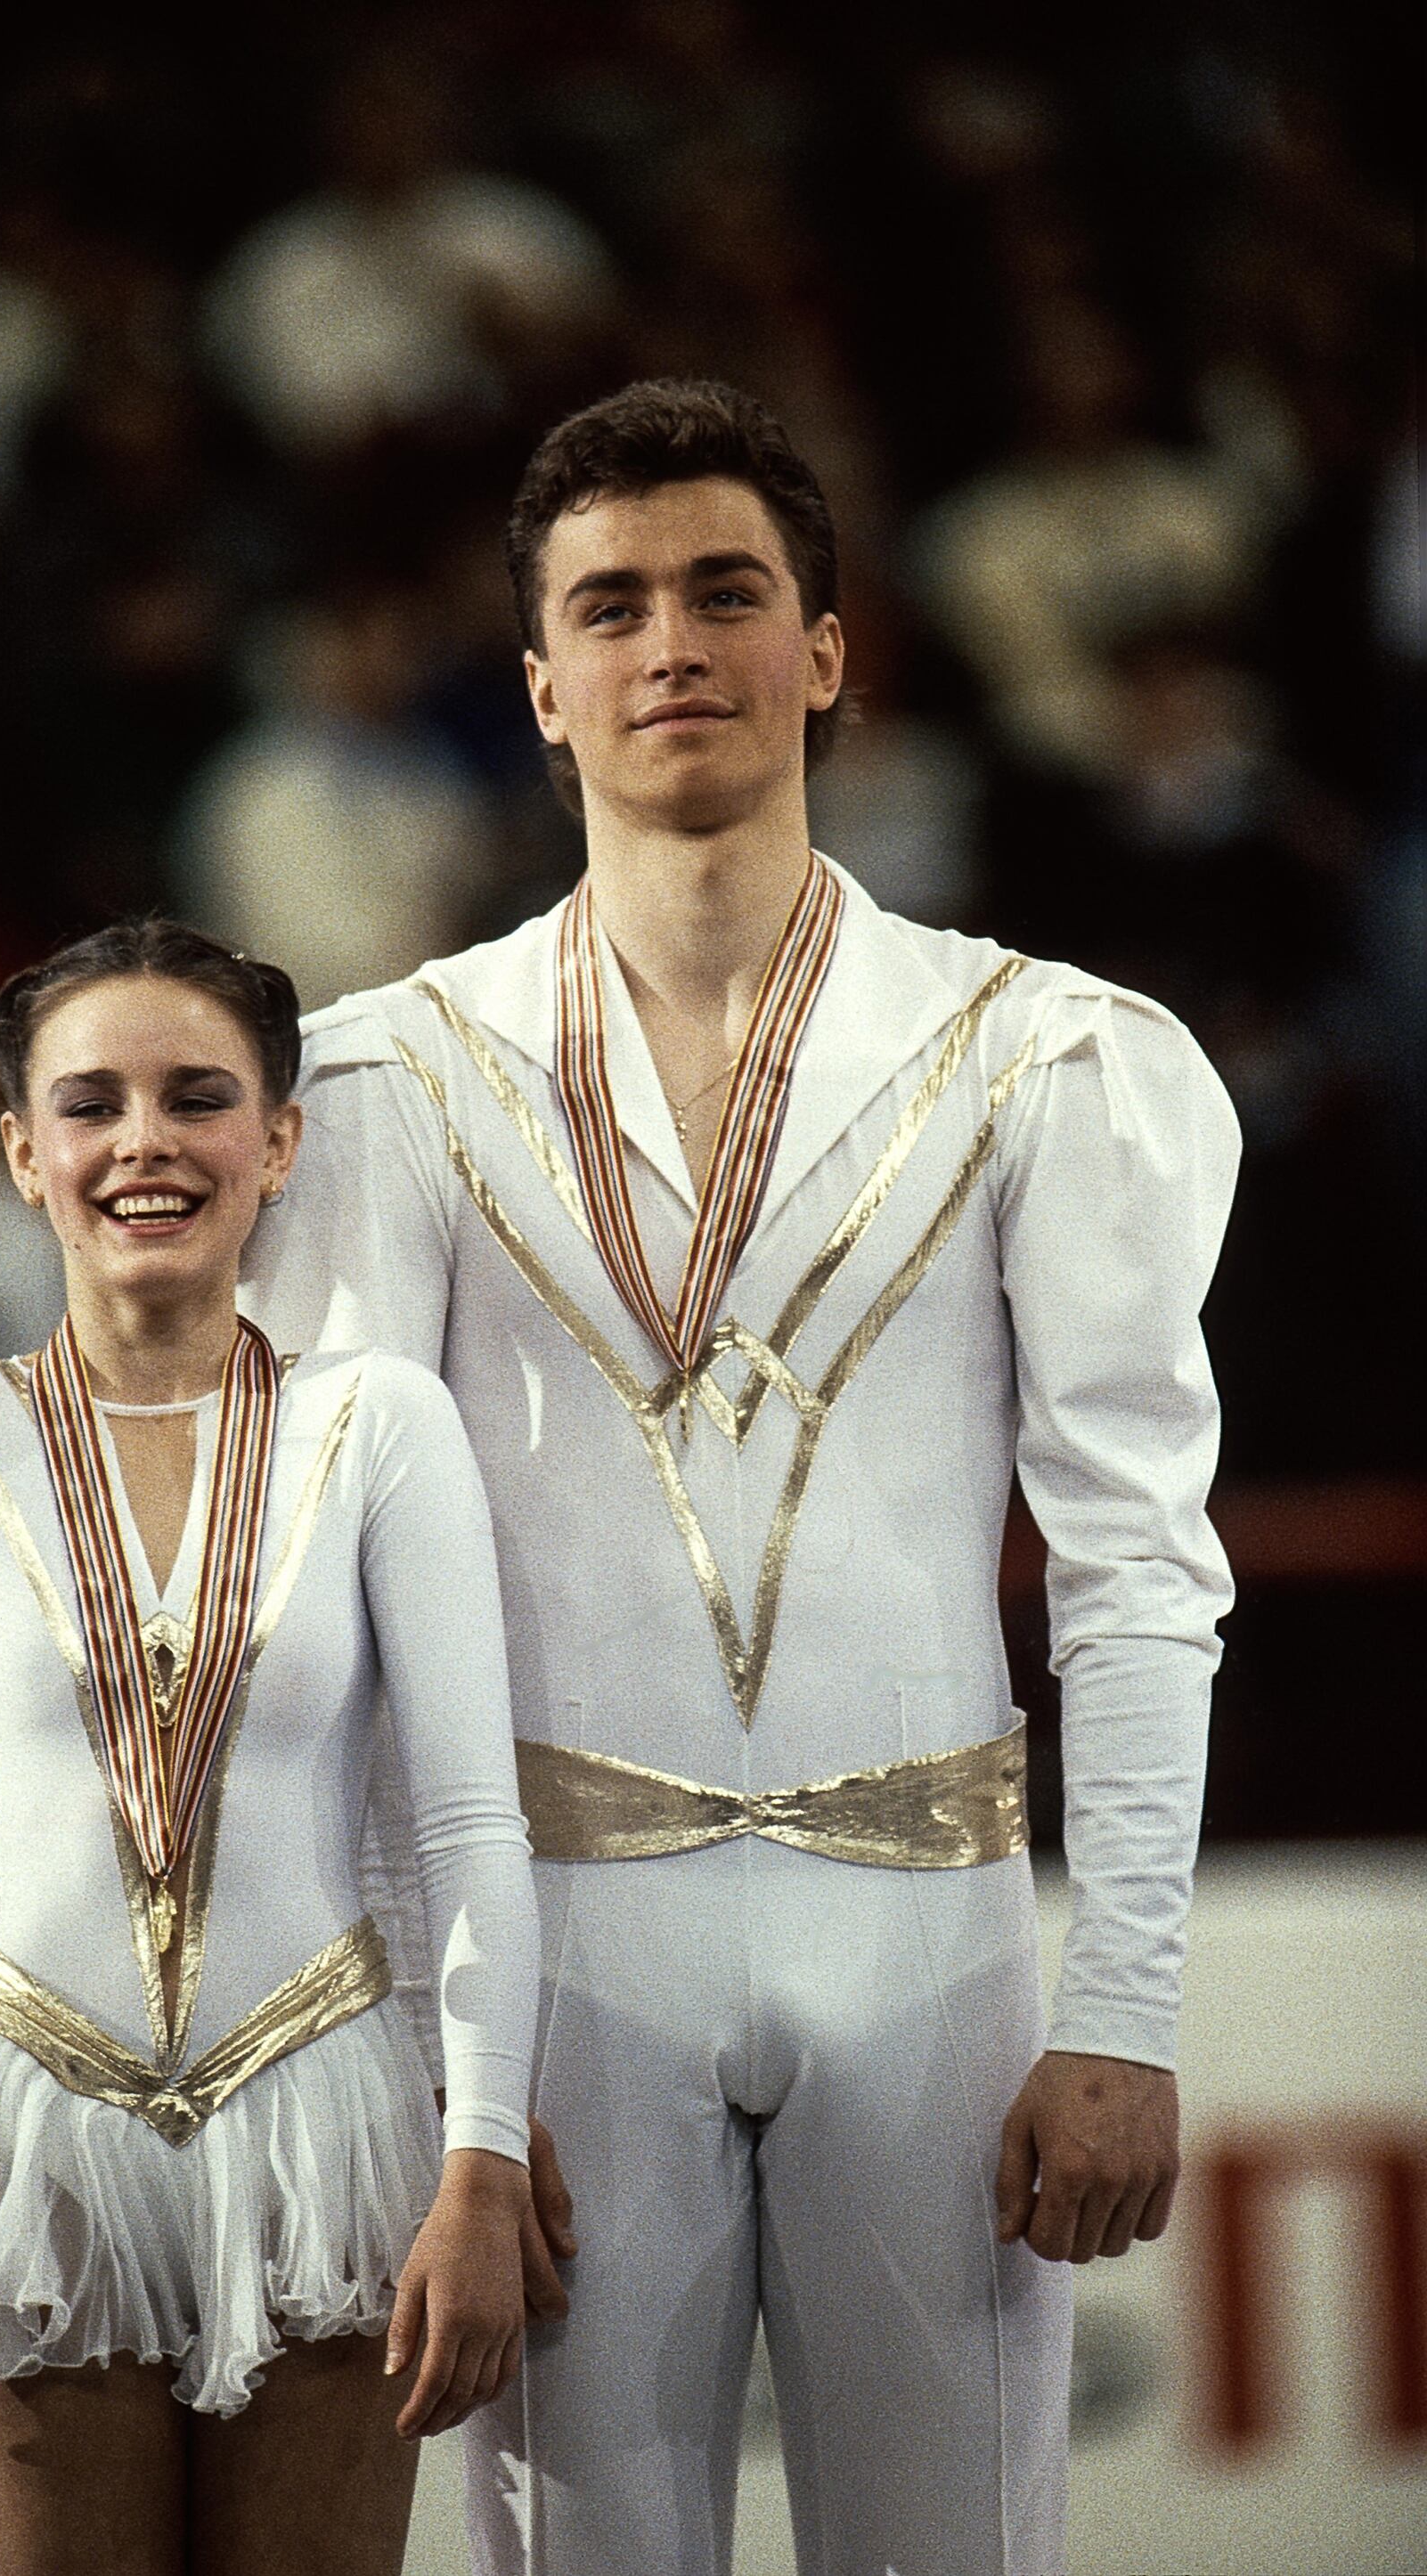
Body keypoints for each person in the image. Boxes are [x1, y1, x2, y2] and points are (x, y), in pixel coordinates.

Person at [248, 379, 1242, 2576]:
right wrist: (426, 2057)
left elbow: (1138, 1567)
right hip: (558, 1967)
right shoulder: (391, 1084)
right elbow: (332, 1610)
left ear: (828, 650)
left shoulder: (1042, 1056)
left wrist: (1124, 2010)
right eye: (611, 607)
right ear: (540, 687)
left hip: (935, 1942)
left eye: (725, 592)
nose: (671, 642)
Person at [0, 919, 552, 2576]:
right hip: (31, 2128)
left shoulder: (379, 1419)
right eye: (93, 1105)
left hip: (324, 2118)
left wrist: (483, 2165)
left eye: (198, 1097)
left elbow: (467, 1827)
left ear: (278, 1143)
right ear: (24, 1153)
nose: (146, 1141)